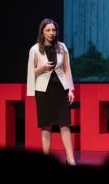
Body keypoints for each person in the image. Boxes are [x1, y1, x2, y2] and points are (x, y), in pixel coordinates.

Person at [27, 18, 76, 165]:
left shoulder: (62, 47)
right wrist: (43, 68)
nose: (51, 33)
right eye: (48, 30)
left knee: (65, 124)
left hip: (60, 89)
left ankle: (70, 159)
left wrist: (70, 90)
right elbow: (31, 73)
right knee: (46, 125)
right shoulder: (35, 49)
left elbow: (67, 70)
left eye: (53, 30)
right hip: (43, 90)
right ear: (42, 31)